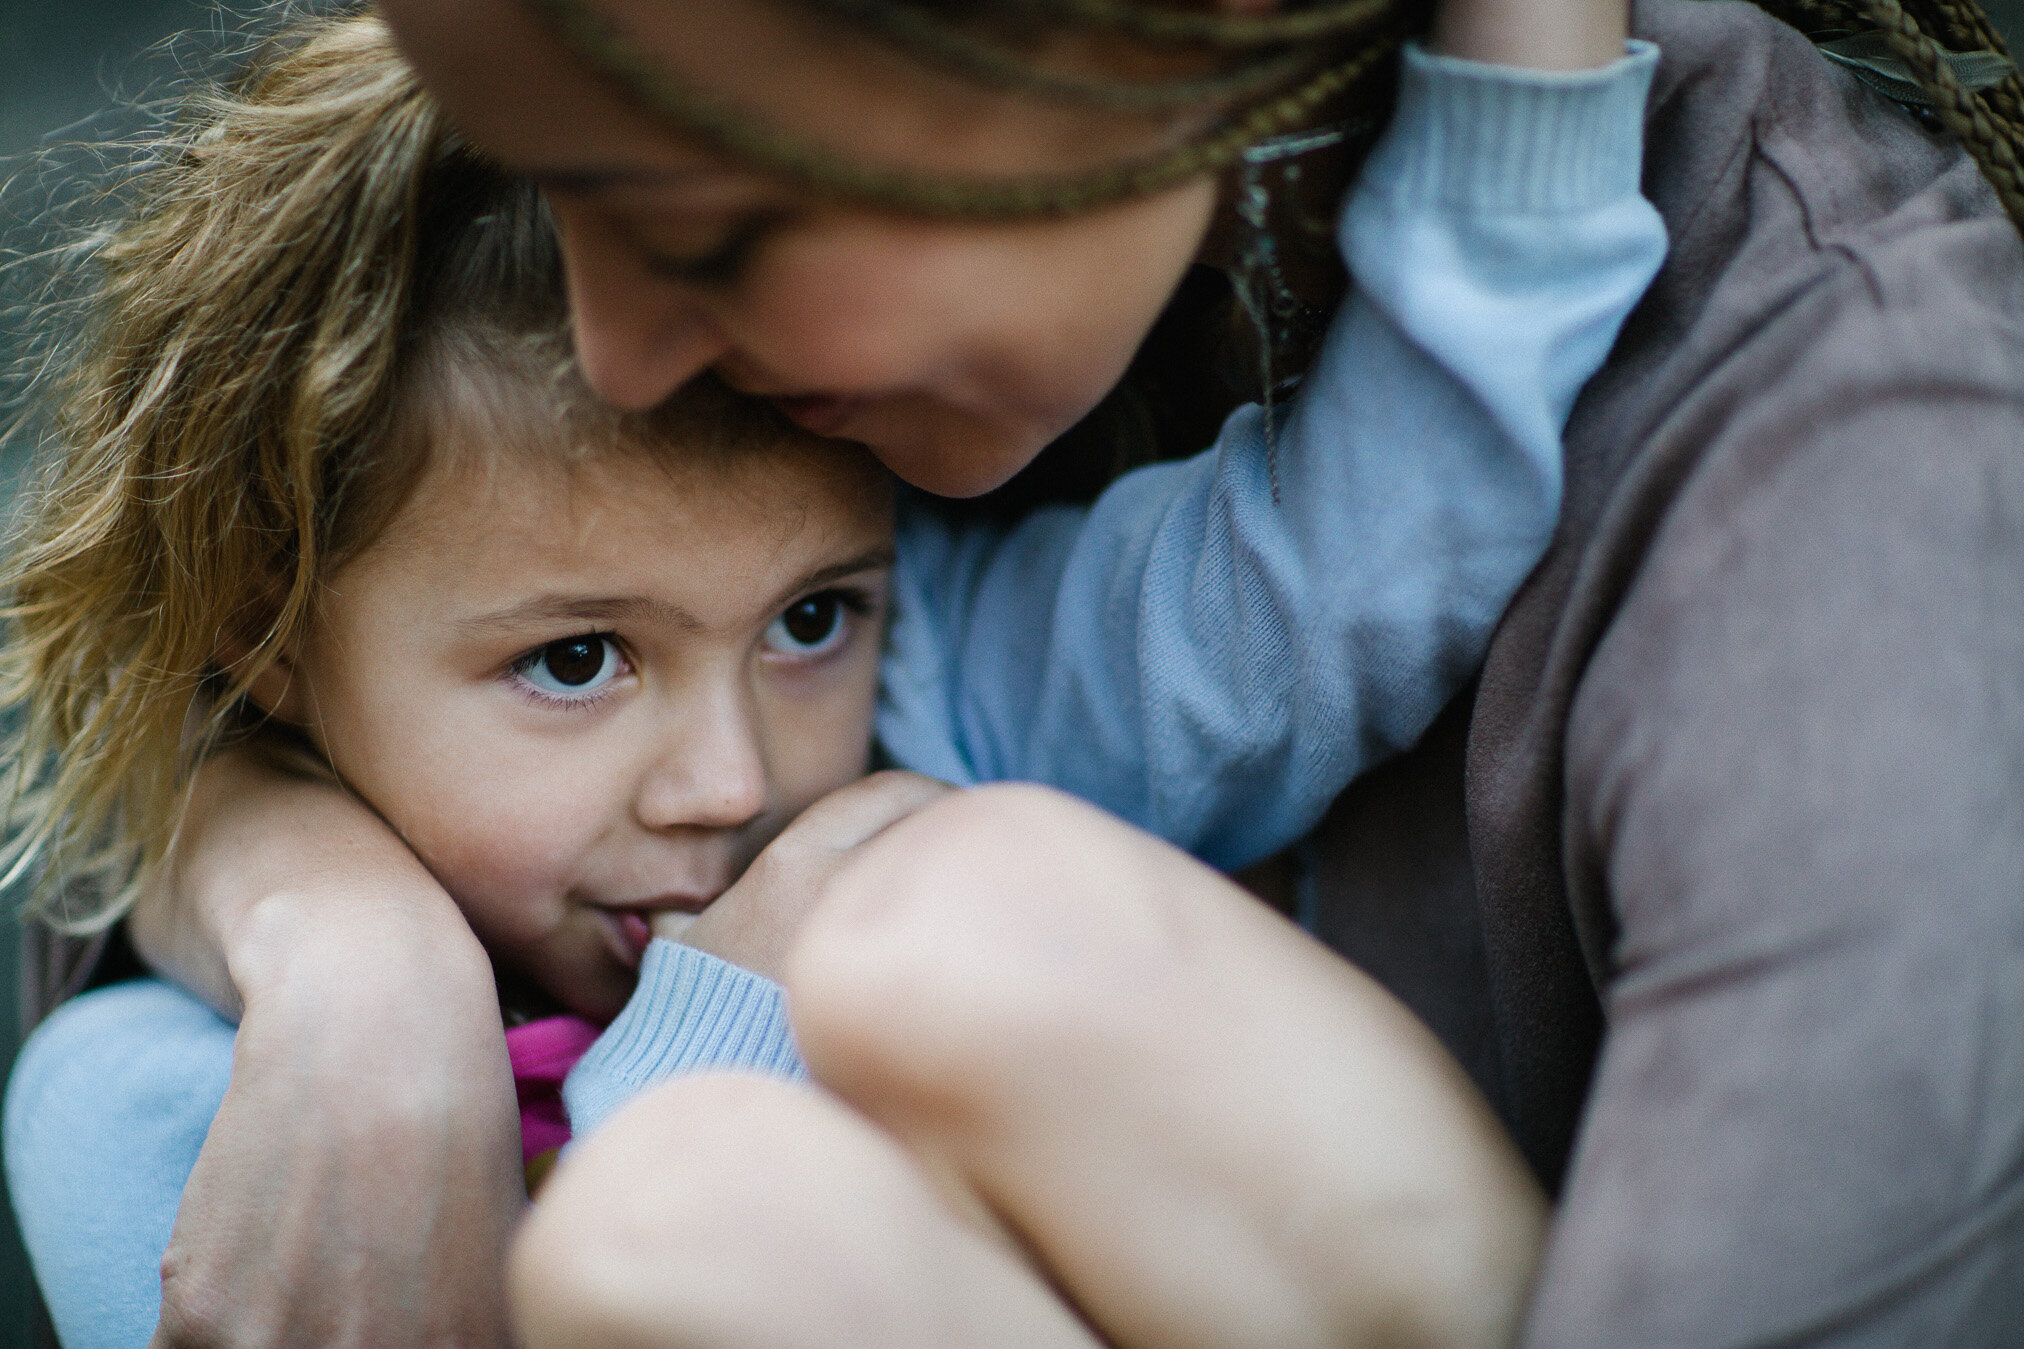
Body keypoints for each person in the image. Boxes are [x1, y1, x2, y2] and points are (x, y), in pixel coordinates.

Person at [0, 6, 1670, 1347]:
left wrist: (1531, 60)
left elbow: (1367, 551)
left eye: (812, 617)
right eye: (577, 659)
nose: (734, 781)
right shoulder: (147, 1101)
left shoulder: (953, 696)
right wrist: (733, 999)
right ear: (264, 626)